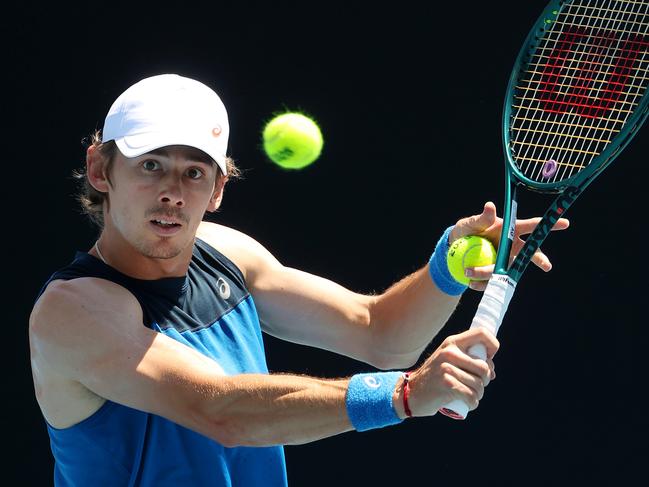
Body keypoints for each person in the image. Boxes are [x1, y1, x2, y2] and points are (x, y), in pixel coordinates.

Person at [28, 74, 569, 486]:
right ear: (101, 170)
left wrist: (447, 268)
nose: (173, 191)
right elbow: (218, 408)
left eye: (194, 172)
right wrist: (403, 394)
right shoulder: (73, 310)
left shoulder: (227, 253)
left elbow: (379, 333)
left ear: (217, 191)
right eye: (150, 165)